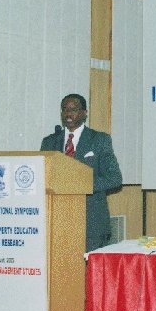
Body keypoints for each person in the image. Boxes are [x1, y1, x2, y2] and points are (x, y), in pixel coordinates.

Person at [40, 94, 123, 252]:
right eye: (64, 109)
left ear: (85, 113)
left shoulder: (99, 140)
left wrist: (80, 185)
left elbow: (114, 178)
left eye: (74, 109)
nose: (68, 114)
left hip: (91, 223)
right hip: (57, 221)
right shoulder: (49, 142)